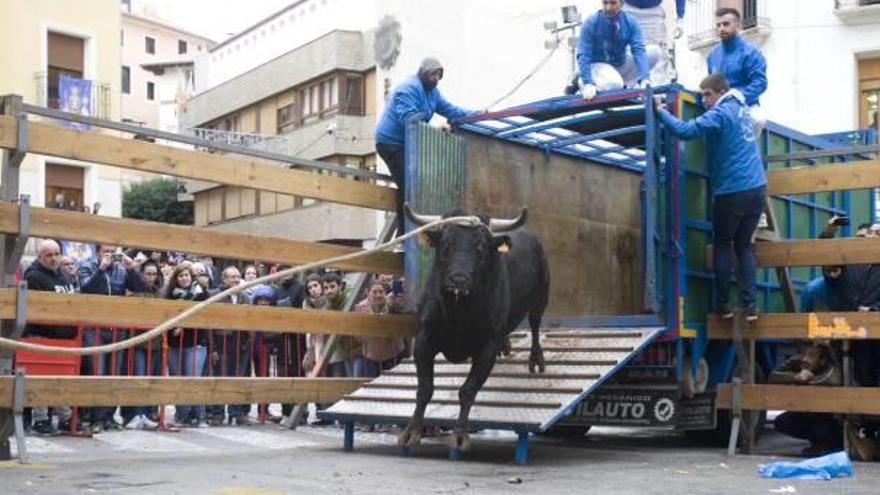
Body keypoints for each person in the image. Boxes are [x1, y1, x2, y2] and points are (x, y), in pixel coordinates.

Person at [654, 74, 766, 321]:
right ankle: (751, 307)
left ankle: (723, 306)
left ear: (721, 91)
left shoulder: (720, 114)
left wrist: (661, 111)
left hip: (731, 190)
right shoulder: (741, 110)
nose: (703, 100)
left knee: (723, 245)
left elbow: (685, 131)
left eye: (707, 95)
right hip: (757, 188)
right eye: (701, 95)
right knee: (744, 246)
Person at [375, 58, 473, 229]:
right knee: (409, 185)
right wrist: (436, 129)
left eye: (439, 75)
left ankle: (414, 231)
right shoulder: (408, 89)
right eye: (433, 74)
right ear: (423, 72)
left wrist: (476, 115)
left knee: (419, 183)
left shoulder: (433, 93)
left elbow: (452, 110)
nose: (436, 78)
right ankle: (403, 236)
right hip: (390, 143)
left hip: (409, 145)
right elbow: (409, 120)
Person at [78, 244, 146, 433]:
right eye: (105, 252)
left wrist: (132, 269)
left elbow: (139, 288)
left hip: (117, 329)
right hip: (94, 329)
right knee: (97, 374)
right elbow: (85, 289)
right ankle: (96, 419)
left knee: (114, 374)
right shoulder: (86, 266)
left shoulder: (121, 270)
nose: (109, 256)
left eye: (111, 252)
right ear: (97, 253)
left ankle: (109, 416)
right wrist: (101, 269)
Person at [25, 240, 78, 436]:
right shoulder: (33, 276)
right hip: (43, 335)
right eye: (49, 255)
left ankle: (65, 417)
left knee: (63, 378)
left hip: (65, 336)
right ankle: (41, 419)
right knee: (42, 377)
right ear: (40, 256)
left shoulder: (63, 275)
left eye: (56, 254)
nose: (54, 258)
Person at [575, 0, 660, 100]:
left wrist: (645, 78)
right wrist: (587, 82)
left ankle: (627, 85)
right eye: (605, 3)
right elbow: (583, 54)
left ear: (622, 3)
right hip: (597, 66)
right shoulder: (591, 22)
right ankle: (581, 81)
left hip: (619, 64)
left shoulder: (631, 22)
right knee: (615, 84)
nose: (608, 7)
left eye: (613, 3)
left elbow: (638, 50)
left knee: (655, 52)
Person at [770, 341, 843, 456]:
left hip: (828, 419)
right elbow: (773, 376)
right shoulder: (799, 361)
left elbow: (833, 380)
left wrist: (807, 380)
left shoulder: (830, 368)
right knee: (783, 421)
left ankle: (828, 445)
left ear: (822, 360)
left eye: (811, 355)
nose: (805, 359)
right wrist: (795, 377)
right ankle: (817, 443)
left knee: (822, 428)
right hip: (807, 414)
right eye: (803, 353)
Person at [164, 263, 211, 428]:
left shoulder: (201, 294)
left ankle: (200, 416)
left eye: (187, 275)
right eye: (181, 275)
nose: (184, 278)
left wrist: (183, 325)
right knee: (177, 377)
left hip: (196, 342)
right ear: (175, 278)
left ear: (192, 277)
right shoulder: (169, 296)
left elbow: (202, 317)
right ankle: (182, 414)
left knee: (194, 378)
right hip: (174, 343)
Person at [707, 7, 768, 131]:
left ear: (737, 25)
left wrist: (736, 97)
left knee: (758, 118)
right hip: (719, 111)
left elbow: (760, 83)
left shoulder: (751, 53)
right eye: (718, 25)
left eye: (726, 24)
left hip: (747, 108)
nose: (721, 28)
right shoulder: (712, 56)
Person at [208, 267, 252, 426]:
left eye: (238, 277)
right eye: (232, 277)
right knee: (221, 378)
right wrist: (212, 348)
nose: (236, 280)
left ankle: (236, 411)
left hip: (240, 345)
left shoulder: (244, 297)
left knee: (237, 379)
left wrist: (248, 343)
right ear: (224, 279)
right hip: (221, 343)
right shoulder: (215, 296)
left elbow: (250, 320)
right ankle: (218, 413)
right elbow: (210, 324)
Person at [124, 260, 163, 430]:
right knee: (139, 377)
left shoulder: (160, 293)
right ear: (142, 274)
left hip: (156, 343)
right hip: (138, 342)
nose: (151, 277)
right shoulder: (135, 292)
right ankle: (136, 414)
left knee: (150, 379)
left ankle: (146, 413)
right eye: (148, 274)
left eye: (154, 274)